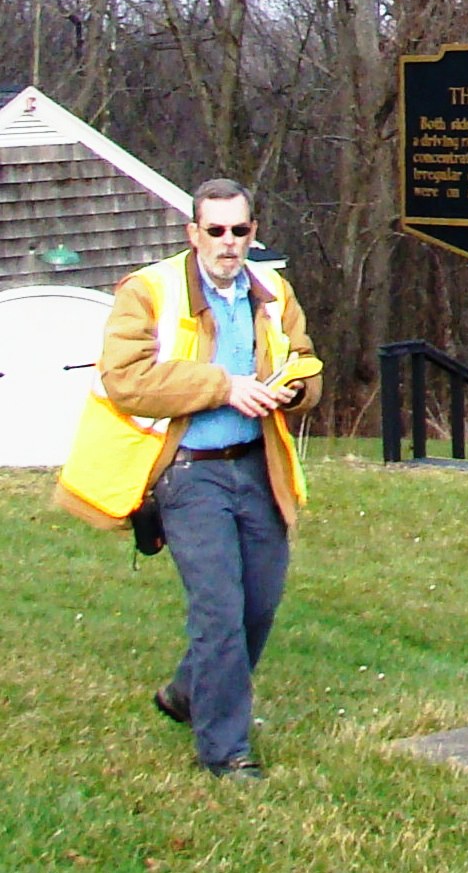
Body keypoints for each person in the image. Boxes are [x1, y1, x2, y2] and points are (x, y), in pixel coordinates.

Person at [55, 178, 322, 782]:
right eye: (216, 230)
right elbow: (125, 378)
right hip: (187, 474)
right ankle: (226, 751)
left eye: (240, 230)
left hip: (258, 466)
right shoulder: (148, 292)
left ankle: (185, 693)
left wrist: (296, 389)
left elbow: (307, 359)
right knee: (219, 610)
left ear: (254, 232)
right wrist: (224, 387)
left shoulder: (273, 291)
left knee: (259, 606)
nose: (229, 243)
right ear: (192, 233)